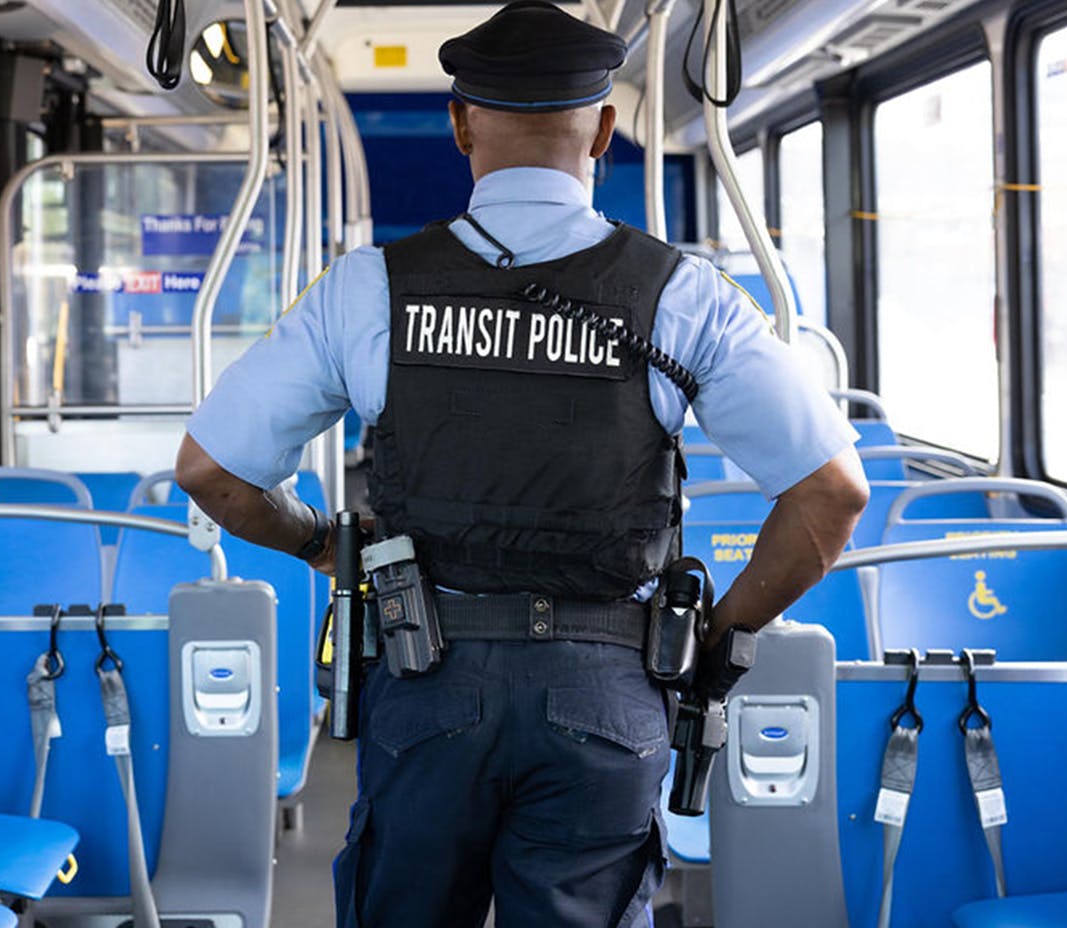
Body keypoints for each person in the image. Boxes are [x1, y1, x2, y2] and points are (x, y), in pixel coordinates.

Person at [175, 2, 869, 924]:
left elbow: (210, 472)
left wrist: (318, 544)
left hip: (426, 681)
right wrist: (715, 635)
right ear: (607, 132)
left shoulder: (369, 288)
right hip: (608, 694)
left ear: (460, 123)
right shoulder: (684, 296)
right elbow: (830, 497)